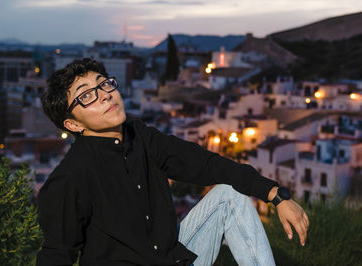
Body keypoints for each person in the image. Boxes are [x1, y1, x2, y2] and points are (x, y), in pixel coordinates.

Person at [36, 58, 309, 266]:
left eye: (103, 83)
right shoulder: (71, 177)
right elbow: (56, 254)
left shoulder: (140, 136)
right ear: (72, 124)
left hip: (172, 259)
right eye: (86, 95)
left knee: (228, 196)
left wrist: (275, 194)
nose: (104, 94)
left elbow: (204, 163)